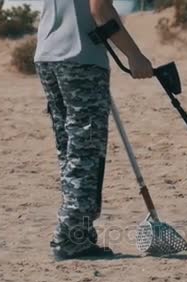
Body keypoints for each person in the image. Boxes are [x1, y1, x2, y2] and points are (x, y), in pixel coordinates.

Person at [34, 0, 153, 260]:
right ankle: (71, 237)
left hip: (47, 55)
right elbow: (100, 9)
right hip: (81, 59)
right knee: (85, 153)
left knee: (69, 152)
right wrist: (134, 54)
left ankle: (81, 234)